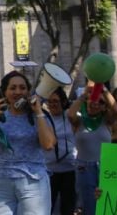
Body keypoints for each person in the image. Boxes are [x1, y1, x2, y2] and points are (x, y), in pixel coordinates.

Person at [0, 70, 56, 215]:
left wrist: (38, 112)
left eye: (22, 88)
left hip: (33, 182)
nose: (18, 91)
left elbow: (48, 145)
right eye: (12, 88)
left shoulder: (38, 116)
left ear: (28, 91)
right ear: (4, 92)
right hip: (3, 181)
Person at [66, 82, 117, 215]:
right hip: (84, 167)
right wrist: (84, 95)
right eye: (92, 100)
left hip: (106, 167)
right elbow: (71, 114)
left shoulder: (107, 121)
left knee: (107, 201)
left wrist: (104, 90)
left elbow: (115, 109)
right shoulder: (79, 121)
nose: (95, 103)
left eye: (100, 102)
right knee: (87, 203)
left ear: (104, 107)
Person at [44, 87, 77, 215]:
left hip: (69, 170)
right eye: (50, 101)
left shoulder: (69, 116)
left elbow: (74, 111)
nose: (52, 104)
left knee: (68, 208)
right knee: (47, 207)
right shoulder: (43, 118)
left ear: (63, 102)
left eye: (56, 101)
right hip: (49, 171)